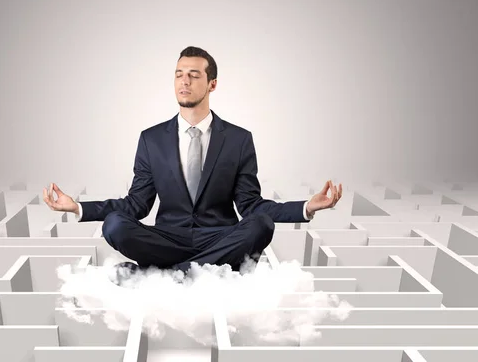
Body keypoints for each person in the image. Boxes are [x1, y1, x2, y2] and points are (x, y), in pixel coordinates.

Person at [43, 46, 342, 276]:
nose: (184, 82)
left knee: (260, 225)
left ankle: (165, 274)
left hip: (220, 237)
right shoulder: (152, 139)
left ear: (212, 84)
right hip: (167, 239)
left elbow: (250, 206)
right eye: (178, 74)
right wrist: (78, 207)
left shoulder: (239, 139)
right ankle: (197, 271)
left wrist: (306, 207)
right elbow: (136, 205)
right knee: (115, 225)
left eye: (194, 75)